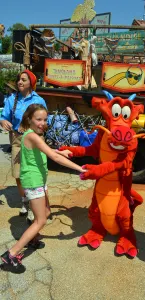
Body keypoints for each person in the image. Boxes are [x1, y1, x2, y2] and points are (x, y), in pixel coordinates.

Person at [0, 104, 86, 271]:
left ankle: (32, 239)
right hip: (33, 181)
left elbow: (47, 150)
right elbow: (52, 155)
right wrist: (80, 168)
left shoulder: (34, 135)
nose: (42, 122)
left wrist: (62, 152)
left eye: (45, 119)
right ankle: (11, 254)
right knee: (41, 220)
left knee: (46, 212)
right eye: (38, 119)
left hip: (39, 180)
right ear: (29, 120)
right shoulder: (31, 136)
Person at [0, 70, 47, 221]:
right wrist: (3, 121)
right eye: (19, 79)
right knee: (18, 174)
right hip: (17, 140)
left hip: (35, 141)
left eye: (23, 80)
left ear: (31, 83)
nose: (19, 82)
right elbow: (4, 116)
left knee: (35, 173)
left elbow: (46, 122)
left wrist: (30, 128)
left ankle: (35, 206)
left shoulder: (39, 100)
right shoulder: (11, 99)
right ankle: (25, 200)